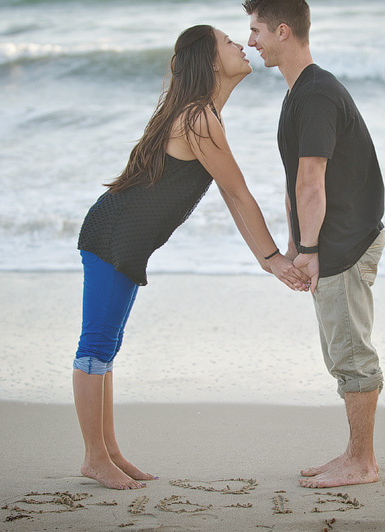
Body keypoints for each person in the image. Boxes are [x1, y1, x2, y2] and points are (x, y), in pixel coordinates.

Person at [73, 24, 310, 490]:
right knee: (96, 347)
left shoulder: (202, 114)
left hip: (123, 240)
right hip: (112, 236)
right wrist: (274, 259)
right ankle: (94, 457)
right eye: (228, 42)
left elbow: (229, 193)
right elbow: (239, 193)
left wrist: (268, 259)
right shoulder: (199, 117)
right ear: (209, 59)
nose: (241, 45)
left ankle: (110, 451)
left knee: (107, 348)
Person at [243, 0, 385, 488]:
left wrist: (306, 251)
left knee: (350, 354)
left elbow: (311, 181)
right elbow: (293, 183)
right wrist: (293, 247)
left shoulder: (317, 92)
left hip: (342, 244)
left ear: (283, 31)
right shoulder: (299, 92)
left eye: (257, 30)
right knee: (339, 353)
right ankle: (353, 453)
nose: (251, 41)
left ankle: (362, 463)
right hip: (328, 244)